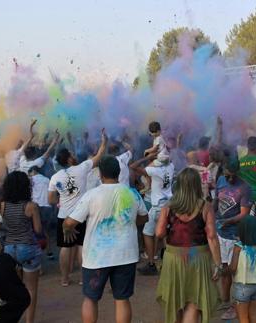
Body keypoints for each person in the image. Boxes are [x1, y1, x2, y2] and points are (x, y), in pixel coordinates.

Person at [63, 155, 149, 323]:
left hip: (97, 258)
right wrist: (129, 220)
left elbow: (70, 222)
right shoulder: (132, 193)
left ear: (100, 174)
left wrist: (66, 228)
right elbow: (144, 218)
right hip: (125, 255)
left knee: (90, 299)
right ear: (118, 172)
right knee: (122, 299)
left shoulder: (92, 195)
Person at [155, 168, 222, 323]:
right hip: (198, 259)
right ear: (197, 185)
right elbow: (211, 236)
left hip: (173, 258)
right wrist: (218, 264)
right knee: (194, 301)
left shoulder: (169, 206)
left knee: (176, 300)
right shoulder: (205, 207)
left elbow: (159, 233)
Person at [49, 129, 107, 286]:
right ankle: (83, 278)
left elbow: (51, 199)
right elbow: (99, 155)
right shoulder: (82, 168)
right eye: (71, 154)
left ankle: (64, 279)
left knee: (65, 247)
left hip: (64, 216)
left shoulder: (55, 177)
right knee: (82, 245)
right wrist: (104, 141)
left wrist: (63, 199)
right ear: (68, 159)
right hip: (81, 214)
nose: (73, 156)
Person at [1, 171, 43, 323]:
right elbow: (38, 230)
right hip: (28, 247)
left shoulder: (3, 205)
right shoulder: (31, 206)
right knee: (31, 289)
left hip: (9, 249)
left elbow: (3, 227)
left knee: (16, 291)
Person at [213, 161, 252, 320]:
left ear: (238, 172)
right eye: (227, 176)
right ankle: (225, 300)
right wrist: (212, 214)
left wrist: (227, 222)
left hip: (235, 235)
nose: (229, 179)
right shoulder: (220, 180)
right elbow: (216, 200)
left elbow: (244, 214)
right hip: (220, 233)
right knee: (223, 269)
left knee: (235, 272)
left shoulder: (245, 188)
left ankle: (235, 307)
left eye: (232, 176)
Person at [131, 154, 175, 275]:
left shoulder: (155, 171)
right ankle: (168, 262)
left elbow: (133, 166)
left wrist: (147, 158)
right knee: (165, 233)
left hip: (157, 207)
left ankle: (151, 263)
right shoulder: (171, 167)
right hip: (168, 204)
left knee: (147, 232)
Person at [229, 215, 256, 323]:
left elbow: (233, 268)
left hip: (242, 287)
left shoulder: (239, 246)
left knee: (243, 318)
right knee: (253, 314)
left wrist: (223, 271)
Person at [28, 166, 54, 257]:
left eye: (30, 172)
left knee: (36, 232)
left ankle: (38, 253)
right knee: (46, 231)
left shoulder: (31, 179)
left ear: (33, 171)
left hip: (36, 208)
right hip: (48, 207)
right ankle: (49, 252)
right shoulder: (47, 179)